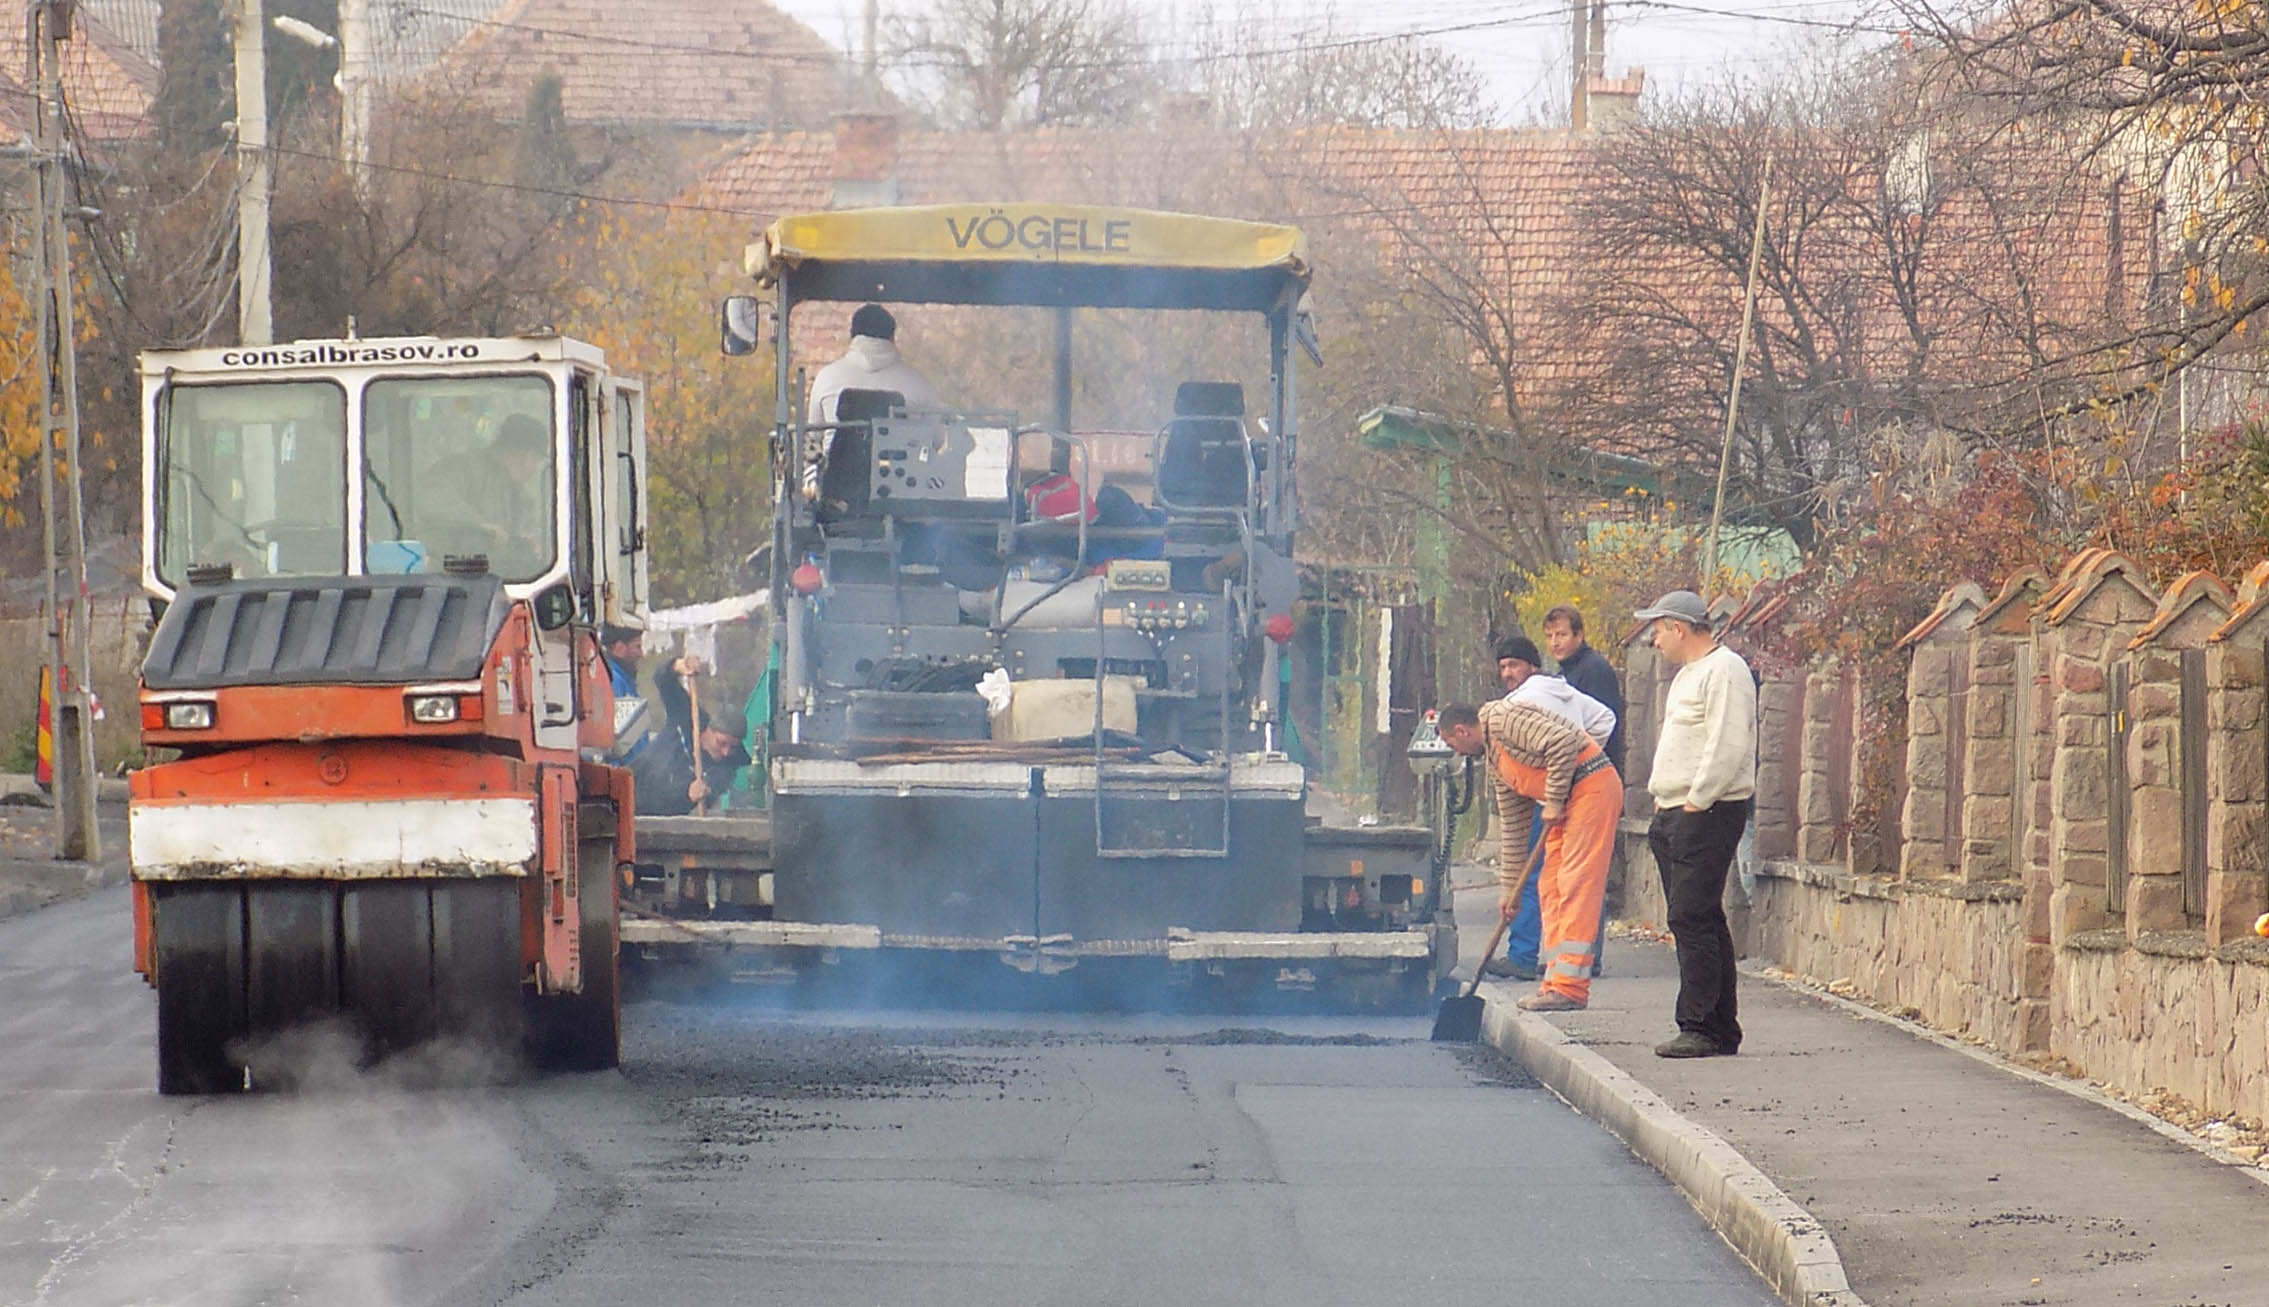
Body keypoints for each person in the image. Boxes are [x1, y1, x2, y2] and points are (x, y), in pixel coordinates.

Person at [1436, 699, 1620, 1011]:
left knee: (1575, 886)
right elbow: (1514, 828)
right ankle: (1555, 981)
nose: (1456, 752)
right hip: (1567, 803)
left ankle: (1571, 989)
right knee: (1550, 888)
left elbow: (1562, 741)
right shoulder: (1496, 762)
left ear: (1461, 730)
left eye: (1452, 743)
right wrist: (1511, 892)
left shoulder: (1504, 720)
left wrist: (1553, 800)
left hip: (1591, 790)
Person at [1635, 589, 1757, 1058]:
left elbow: (1726, 744)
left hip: (1704, 810)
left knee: (1691, 915)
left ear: (1679, 628)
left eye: (1658, 629)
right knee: (1701, 915)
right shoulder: (1691, 674)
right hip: (1676, 810)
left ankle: (1701, 1025)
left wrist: (1697, 802)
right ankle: (1720, 1026)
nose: (1654, 639)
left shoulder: (1725, 671)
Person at [1487, 636, 1616, 981]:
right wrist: (1587, 759)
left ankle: (1526, 956)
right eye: (1502, 666)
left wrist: (1562, 785)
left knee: (1553, 881)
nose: (1508, 673)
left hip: (1554, 803)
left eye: (1513, 665)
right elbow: (1603, 719)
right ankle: (1575, 962)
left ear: (1531, 666)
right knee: (1568, 881)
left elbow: (1561, 742)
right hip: (1567, 797)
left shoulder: (1517, 705)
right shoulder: (1564, 691)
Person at [804, 303, 943, 501]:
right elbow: (936, 441)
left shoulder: (827, 377)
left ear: (853, 336)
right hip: (903, 496)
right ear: (892, 338)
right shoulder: (918, 382)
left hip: (836, 495)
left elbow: (812, 440)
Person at [632, 655, 751, 816]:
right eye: (721, 743)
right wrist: (678, 665)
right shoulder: (687, 716)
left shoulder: (726, 767)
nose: (726, 752)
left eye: (733, 747)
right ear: (709, 730)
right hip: (631, 788)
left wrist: (692, 793)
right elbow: (662, 680)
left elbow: (712, 787)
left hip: (660, 817)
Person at [1543, 606, 1626, 773]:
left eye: (1561, 635)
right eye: (1549, 636)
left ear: (1579, 635)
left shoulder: (1594, 669)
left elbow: (1604, 724)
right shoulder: (1564, 672)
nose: (1554, 643)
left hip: (1596, 772)